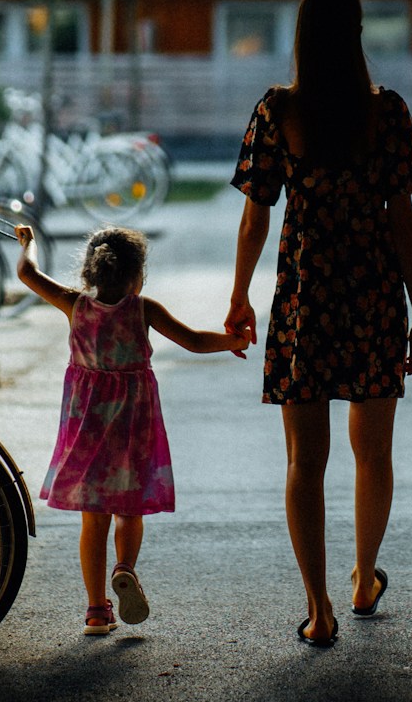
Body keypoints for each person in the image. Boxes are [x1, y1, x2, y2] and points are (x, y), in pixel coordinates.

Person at [226, 0, 412, 647]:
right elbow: (401, 217)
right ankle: (363, 577)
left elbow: (256, 213)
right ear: (356, 35)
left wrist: (239, 295)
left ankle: (318, 608)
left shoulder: (277, 109)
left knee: (302, 461)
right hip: (372, 292)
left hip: (306, 295)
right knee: (373, 451)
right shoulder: (388, 112)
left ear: (302, 38)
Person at [14, 222, 248, 635]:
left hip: (87, 428)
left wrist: (28, 243)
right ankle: (125, 568)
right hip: (133, 427)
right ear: (137, 276)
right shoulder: (144, 309)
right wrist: (234, 342)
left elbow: (27, 274)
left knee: (94, 519)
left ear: (90, 273)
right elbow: (193, 340)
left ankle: (96, 612)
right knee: (129, 508)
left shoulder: (75, 305)